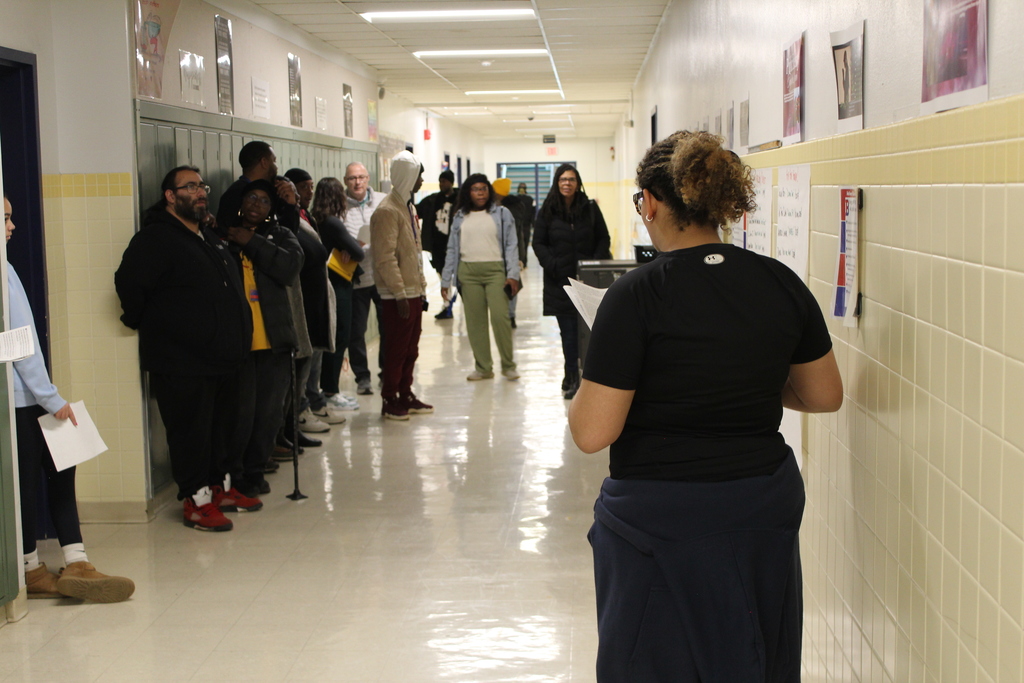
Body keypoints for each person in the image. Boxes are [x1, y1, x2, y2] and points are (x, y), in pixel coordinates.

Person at [567, 131, 843, 682]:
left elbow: (594, 431)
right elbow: (822, 394)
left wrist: (605, 378)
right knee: (754, 653)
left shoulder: (637, 295)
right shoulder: (779, 282)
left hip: (661, 514)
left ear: (650, 201)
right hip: (761, 503)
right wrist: (754, 389)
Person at [115, 166, 258, 532]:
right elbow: (129, 284)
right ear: (169, 195)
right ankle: (195, 502)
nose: (199, 192)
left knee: (220, 430)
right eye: (190, 187)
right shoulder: (157, 239)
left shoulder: (204, 234)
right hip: (183, 361)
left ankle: (218, 489)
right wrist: (147, 321)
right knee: (190, 433)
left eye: (201, 186)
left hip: (223, 357)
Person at [8, 195, 135, 600]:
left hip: (26, 396)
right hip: (16, 400)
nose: (12, 226)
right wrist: (51, 399)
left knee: (60, 465)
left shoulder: (6, 268)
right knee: (26, 483)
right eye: (5, 218)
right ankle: (31, 567)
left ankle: (75, 560)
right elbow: (18, 346)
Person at [221, 180, 304, 498]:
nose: (257, 204)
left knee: (268, 414)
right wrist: (237, 238)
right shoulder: (223, 238)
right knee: (239, 415)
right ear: (241, 203)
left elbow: (290, 268)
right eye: (251, 198)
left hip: (274, 342)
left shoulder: (281, 236)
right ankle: (235, 473)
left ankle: (255, 471)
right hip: (238, 345)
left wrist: (252, 241)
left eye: (265, 201)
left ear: (272, 209)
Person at [532, 164, 610, 399]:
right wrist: (553, 264)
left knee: (591, 332)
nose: (567, 183)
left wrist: (593, 267)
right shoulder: (547, 211)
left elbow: (603, 238)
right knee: (569, 334)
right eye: (563, 179)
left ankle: (592, 379)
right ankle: (571, 378)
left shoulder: (590, 208)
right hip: (560, 283)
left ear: (578, 183)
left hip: (588, 282)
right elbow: (538, 244)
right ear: (557, 182)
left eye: (572, 179)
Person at [371, 153, 433, 420]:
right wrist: (399, 294)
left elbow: (414, 254)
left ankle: (405, 392)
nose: (422, 181)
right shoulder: (387, 211)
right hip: (398, 295)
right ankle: (390, 399)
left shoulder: (408, 207)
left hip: (412, 292)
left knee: (411, 348)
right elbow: (385, 258)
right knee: (396, 349)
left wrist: (420, 288)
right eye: (419, 175)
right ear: (407, 176)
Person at [441, 175, 520, 381]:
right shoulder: (459, 216)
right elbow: (451, 248)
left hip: (496, 271)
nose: (481, 193)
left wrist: (513, 275)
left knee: (500, 317)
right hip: (468, 273)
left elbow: (512, 245)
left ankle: (508, 365)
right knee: (475, 322)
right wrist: (445, 280)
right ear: (468, 192)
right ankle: (484, 367)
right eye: (476, 189)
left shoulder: (502, 214)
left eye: (484, 189)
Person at [310, 176, 366, 418]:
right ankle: (331, 391)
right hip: (339, 285)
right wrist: (354, 246)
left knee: (331, 337)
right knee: (340, 335)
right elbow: (358, 254)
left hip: (324, 283)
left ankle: (327, 389)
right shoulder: (333, 223)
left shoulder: (315, 219)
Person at [342, 162, 385, 395]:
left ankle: (385, 374)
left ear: (368, 178)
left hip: (381, 276)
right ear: (346, 181)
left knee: (386, 328)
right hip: (356, 279)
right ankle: (362, 378)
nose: (357, 182)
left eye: (361, 177)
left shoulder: (381, 200)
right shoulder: (339, 206)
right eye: (352, 178)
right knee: (355, 332)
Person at [416, 169, 458, 320]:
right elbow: (416, 211)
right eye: (440, 181)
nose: (442, 184)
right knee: (443, 276)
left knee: (460, 277)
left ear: (451, 183)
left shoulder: (460, 199)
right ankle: (447, 306)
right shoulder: (432, 200)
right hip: (438, 247)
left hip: (457, 246)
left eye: (445, 181)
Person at [491, 178, 530, 328]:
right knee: (509, 284)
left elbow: (516, 236)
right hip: (500, 253)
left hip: (508, 253)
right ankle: (509, 315)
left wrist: (520, 257)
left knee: (511, 284)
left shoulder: (508, 210)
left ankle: (510, 315)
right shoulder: (508, 207)